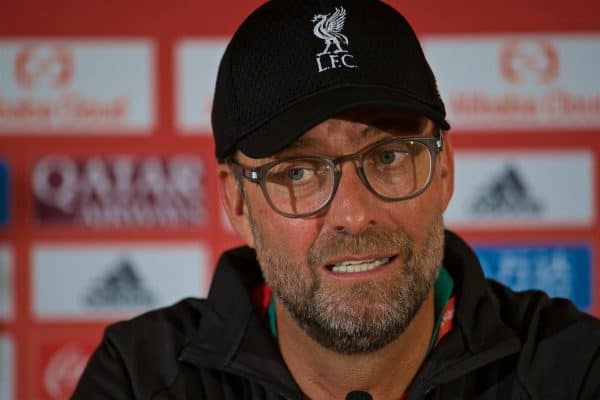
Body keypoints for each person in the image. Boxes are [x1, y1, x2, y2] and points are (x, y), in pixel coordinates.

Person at [73, 0, 600, 399]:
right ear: (237, 204)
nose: (353, 213)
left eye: (390, 156)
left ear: (444, 170)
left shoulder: (573, 369)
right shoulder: (139, 381)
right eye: (298, 170)